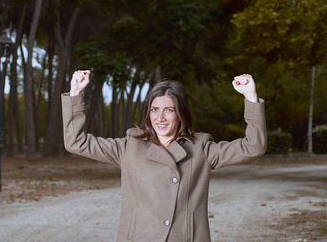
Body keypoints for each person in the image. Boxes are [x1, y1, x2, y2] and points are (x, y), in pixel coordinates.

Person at [61, 70, 267, 242]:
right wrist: (75, 94)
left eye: (169, 109)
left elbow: (254, 146)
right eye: (154, 109)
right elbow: (76, 142)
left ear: (180, 113)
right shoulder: (129, 146)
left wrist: (250, 97)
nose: (160, 117)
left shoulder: (201, 148)